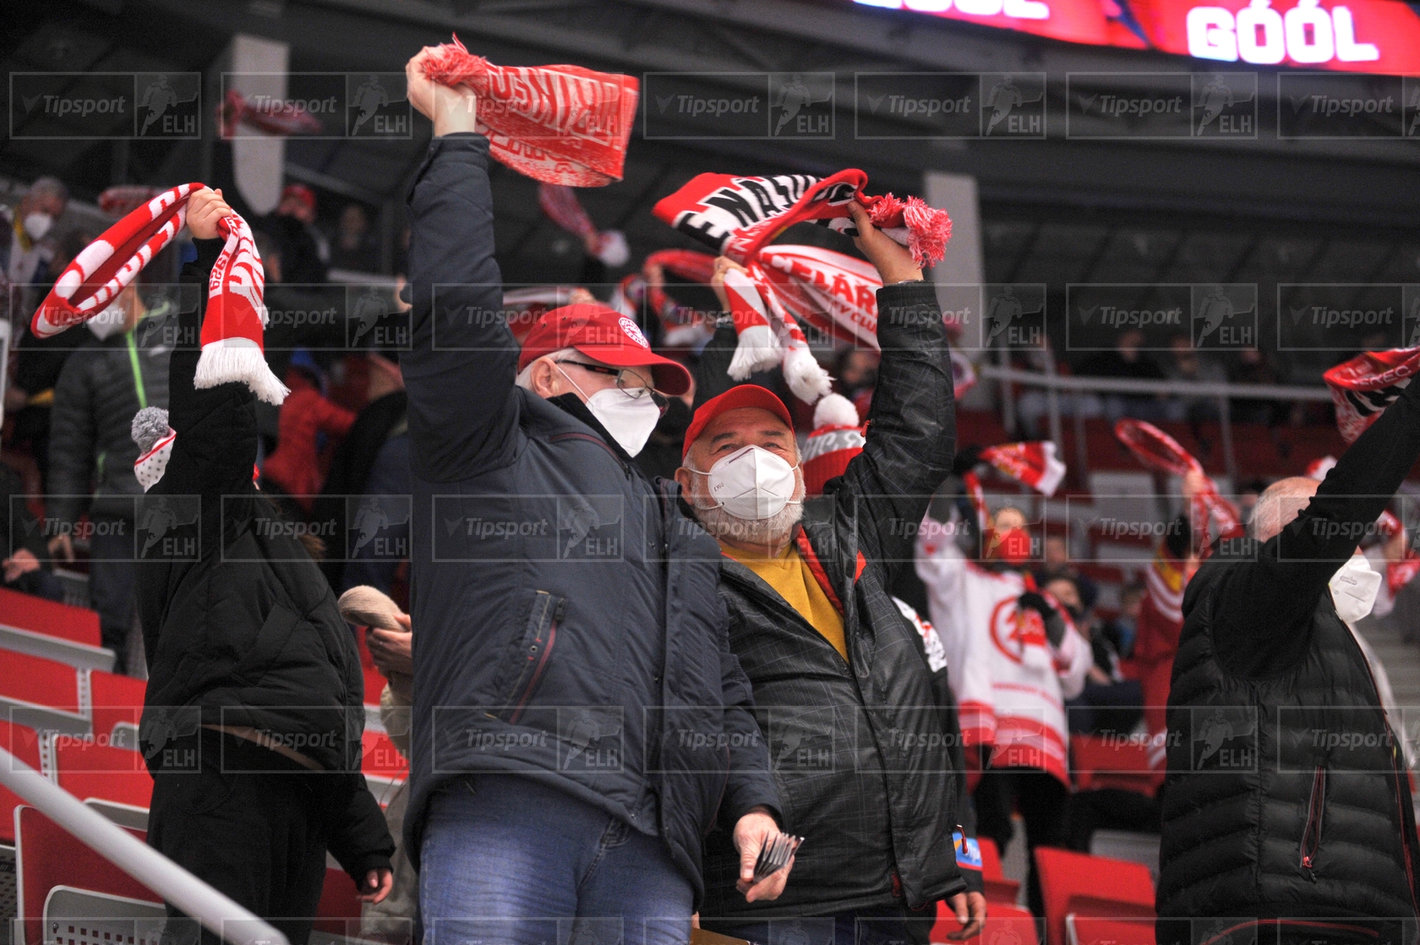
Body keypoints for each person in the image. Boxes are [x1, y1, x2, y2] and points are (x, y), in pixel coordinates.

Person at [400, 48, 786, 945]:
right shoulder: (486, 441)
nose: (642, 396)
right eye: (616, 373)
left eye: (653, 383)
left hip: (655, 844)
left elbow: (721, 690)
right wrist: (458, 139)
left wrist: (753, 803)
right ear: (541, 369)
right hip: (509, 793)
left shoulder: (678, 526)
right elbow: (453, 306)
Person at [677, 217, 985, 945]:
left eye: (772, 442)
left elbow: (918, 430)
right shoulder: (673, 573)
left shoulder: (851, 533)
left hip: (900, 890)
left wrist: (903, 283)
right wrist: (737, 307)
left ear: (801, 458)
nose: (754, 458)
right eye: (727, 446)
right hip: (771, 896)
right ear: (687, 482)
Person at [133, 185, 393, 945]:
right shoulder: (194, 515)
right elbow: (213, 411)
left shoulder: (272, 541)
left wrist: (363, 836)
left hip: (302, 798)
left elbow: (308, 695)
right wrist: (211, 261)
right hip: (220, 776)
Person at [1155, 374, 1420, 944]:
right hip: (1279, 912)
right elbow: (1335, 514)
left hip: (1342, 914)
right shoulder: (1242, 594)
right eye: (1347, 540)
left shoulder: (1328, 640)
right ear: (1289, 535)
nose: (1356, 554)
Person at [917, 503, 1092, 918]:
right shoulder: (965, 579)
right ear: (988, 531)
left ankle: (1043, 930)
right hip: (989, 726)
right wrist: (950, 492)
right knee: (984, 828)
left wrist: (1051, 618)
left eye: (1020, 526)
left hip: (1044, 734)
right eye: (1005, 525)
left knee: (1050, 843)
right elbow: (931, 551)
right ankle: (973, 912)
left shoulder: (1045, 597)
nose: (1015, 533)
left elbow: (1076, 672)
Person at [47, 278, 175, 673]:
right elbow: (70, 448)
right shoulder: (83, 362)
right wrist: (61, 523)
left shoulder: (179, 329)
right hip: (117, 512)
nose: (93, 308)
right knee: (110, 624)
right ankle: (108, 719)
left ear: (129, 284)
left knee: (182, 627)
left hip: (183, 508)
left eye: (100, 296)